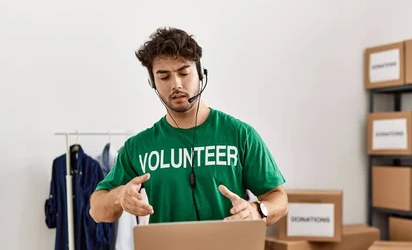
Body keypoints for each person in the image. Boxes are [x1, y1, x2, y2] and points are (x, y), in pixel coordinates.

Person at [90, 27, 288, 225]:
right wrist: (120, 196)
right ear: (153, 82)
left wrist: (258, 210)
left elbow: (279, 198)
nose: (176, 84)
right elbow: (97, 210)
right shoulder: (138, 146)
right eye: (164, 76)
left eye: (184, 72)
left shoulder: (240, 135)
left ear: (201, 73)